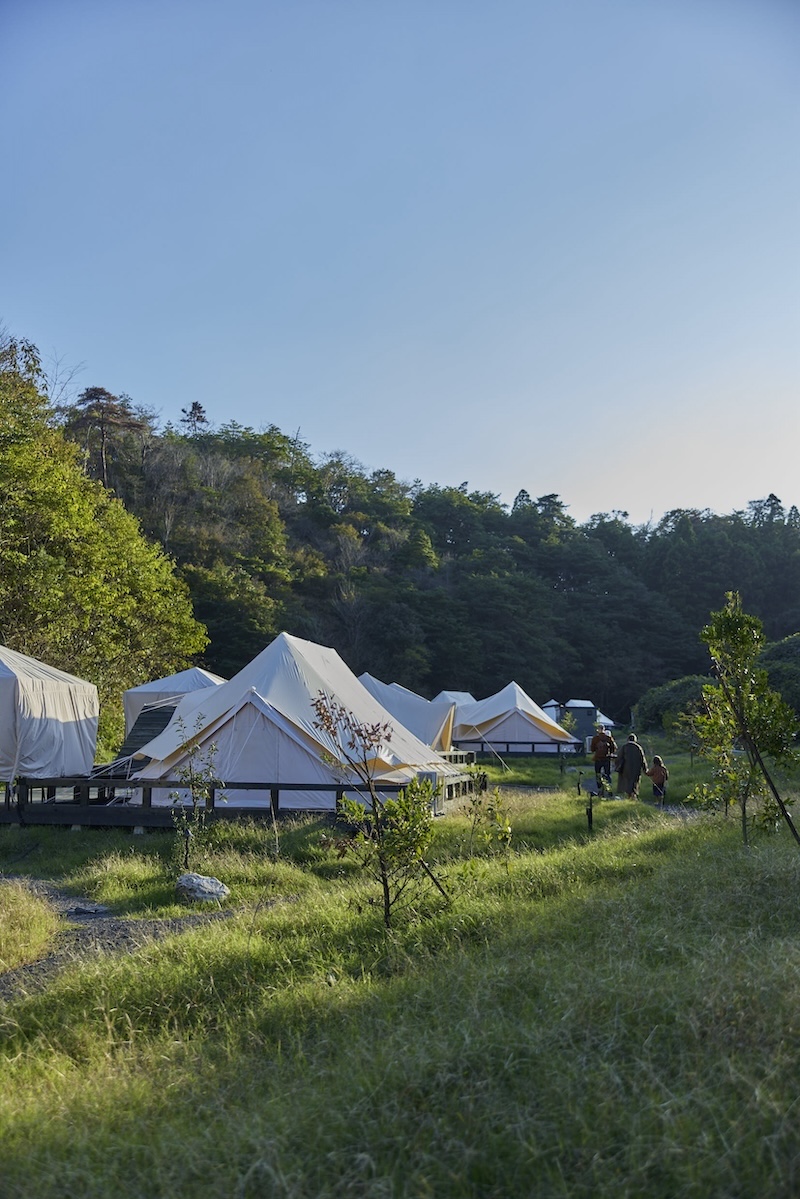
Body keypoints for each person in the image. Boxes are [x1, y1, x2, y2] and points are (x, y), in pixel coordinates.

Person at [615, 733, 647, 798]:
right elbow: (642, 759)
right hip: (636, 769)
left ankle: (629, 796)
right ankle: (633, 795)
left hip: (626, 769)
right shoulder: (638, 747)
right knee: (635, 782)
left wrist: (617, 766)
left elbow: (619, 758)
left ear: (628, 739)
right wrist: (645, 769)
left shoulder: (624, 747)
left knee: (627, 782)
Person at [590, 724, 617, 791]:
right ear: (604, 729)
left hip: (598, 758)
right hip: (606, 758)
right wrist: (610, 753)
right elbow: (614, 747)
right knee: (607, 774)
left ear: (598, 730)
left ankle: (599, 788)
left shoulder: (595, 739)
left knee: (598, 774)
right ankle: (608, 788)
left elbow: (592, 749)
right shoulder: (608, 738)